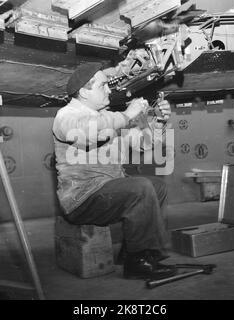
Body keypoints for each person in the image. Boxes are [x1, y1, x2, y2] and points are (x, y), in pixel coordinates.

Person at [52, 61, 175, 280]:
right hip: (82, 199)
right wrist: (127, 115)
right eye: (103, 85)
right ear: (84, 92)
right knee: (141, 188)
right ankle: (138, 263)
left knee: (157, 187)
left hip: (107, 191)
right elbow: (87, 132)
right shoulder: (66, 115)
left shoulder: (107, 116)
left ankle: (137, 251)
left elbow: (143, 143)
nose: (109, 89)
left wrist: (159, 121)